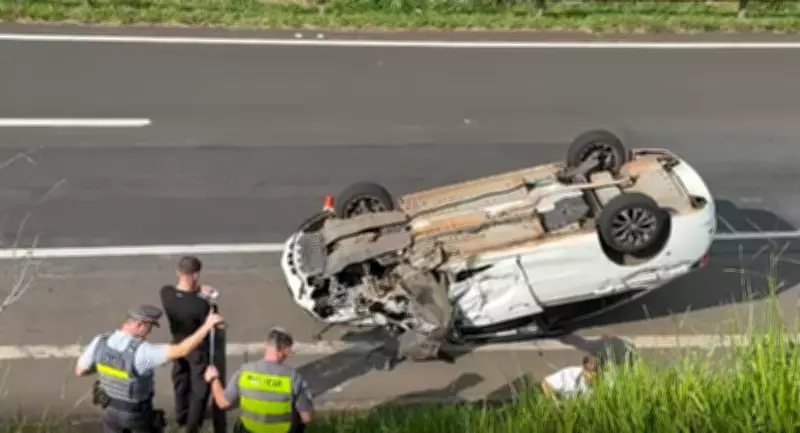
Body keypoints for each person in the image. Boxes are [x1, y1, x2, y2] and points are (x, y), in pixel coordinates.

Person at [74, 304, 224, 433]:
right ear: (139, 325)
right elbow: (181, 350)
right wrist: (207, 326)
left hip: (109, 410)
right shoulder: (142, 351)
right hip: (135, 414)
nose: (150, 332)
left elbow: (80, 371)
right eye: (149, 327)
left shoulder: (101, 341)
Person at [203, 327, 314, 433]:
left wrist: (214, 378)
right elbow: (306, 417)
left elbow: (222, 402)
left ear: (266, 345)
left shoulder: (244, 373)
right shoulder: (294, 379)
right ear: (285, 351)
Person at [159, 255, 219, 433]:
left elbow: (180, 292)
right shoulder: (201, 304)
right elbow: (211, 320)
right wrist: (207, 297)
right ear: (196, 274)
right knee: (199, 386)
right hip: (197, 347)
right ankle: (193, 424)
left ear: (178, 272)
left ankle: (181, 415)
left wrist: (198, 290)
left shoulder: (166, 294)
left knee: (180, 379)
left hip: (177, 343)